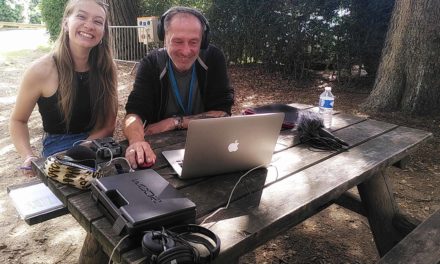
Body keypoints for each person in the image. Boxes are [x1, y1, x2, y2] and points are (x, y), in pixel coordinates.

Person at [9, 0, 118, 176]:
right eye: (81, 16)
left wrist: (84, 147)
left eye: (98, 21)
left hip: (98, 143)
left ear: (103, 31)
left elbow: (108, 124)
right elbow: (18, 121)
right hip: (57, 146)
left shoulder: (107, 67)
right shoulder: (40, 70)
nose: (89, 25)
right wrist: (28, 156)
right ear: (66, 23)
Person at [123, 6, 234, 169]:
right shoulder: (151, 64)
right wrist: (137, 142)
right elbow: (133, 114)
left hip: (208, 149)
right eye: (178, 41)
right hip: (159, 153)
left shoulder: (213, 58)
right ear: (164, 38)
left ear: (203, 41)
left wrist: (176, 122)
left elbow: (223, 114)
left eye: (194, 42)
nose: (186, 50)